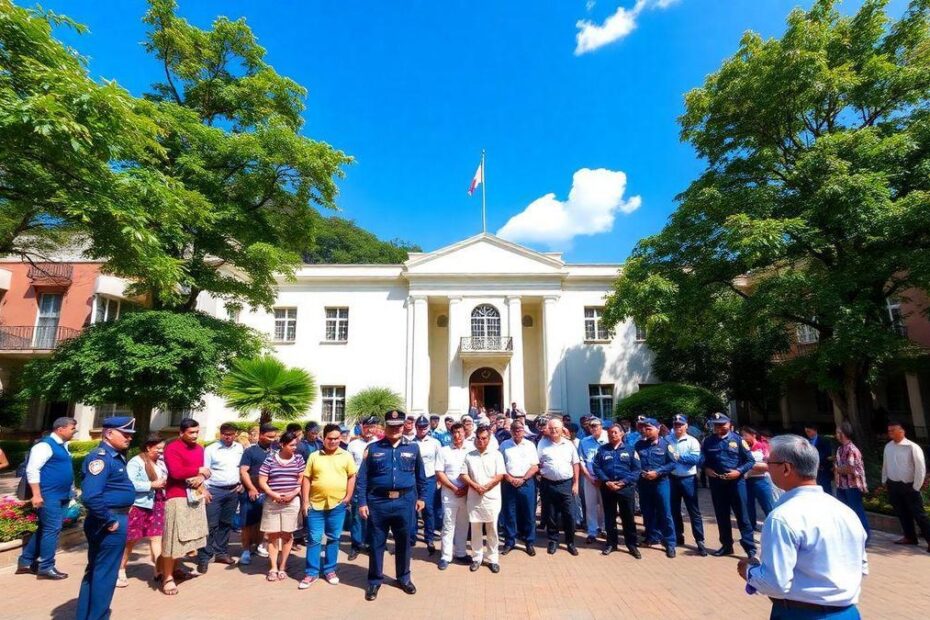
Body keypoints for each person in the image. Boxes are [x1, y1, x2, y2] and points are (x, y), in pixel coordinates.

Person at [738, 435, 868, 619]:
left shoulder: (782, 517)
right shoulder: (845, 512)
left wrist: (748, 571)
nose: (767, 466)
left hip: (801, 613)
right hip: (847, 612)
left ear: (785, 468)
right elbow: (861, 567)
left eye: (769, 462)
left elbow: (775, 583)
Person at [357, 409, 427, 601]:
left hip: (405, 502)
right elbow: (362, 478)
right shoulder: (373, 448)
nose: (395, 429)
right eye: (391, 426)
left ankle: (404, 577)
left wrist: (421, 498)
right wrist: (362, 502)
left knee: (404, 542)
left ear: (403, 426)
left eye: (398, 426)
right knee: (376, 543)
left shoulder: (413, 448)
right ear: (385, 427)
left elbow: (421, 475)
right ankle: (374, 581)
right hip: (378, 502)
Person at [75, 417, 137, 620]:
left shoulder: (115, 456)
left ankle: (86, 615)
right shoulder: (101, 458)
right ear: (109, 433)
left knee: (96, 572)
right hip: (109, 521)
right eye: (125, 434)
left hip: (112, 518)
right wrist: (109, 520)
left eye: (131, 435)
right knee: (105, 574)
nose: (129, 438)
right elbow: (91, 495)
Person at [17, 416, 77, 579]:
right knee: (52, 529)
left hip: (62, 495)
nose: (75, 431)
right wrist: (36, 494)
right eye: (72, 428)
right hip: (48, 495)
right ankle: (46, 566)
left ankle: (25, 562)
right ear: (60, 429)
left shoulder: (63, 446)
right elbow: (32, 470)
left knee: (46, 528)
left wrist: (71, 491)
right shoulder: (44, 446)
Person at [299, 423, 357, 588]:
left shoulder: (346, 456)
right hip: (315, 505)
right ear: (323, 438)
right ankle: (311, 573)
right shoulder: (314, 456)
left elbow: (352, 476)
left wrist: (347, 497)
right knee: (314, 539)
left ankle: (330, 569)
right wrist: (305, 502)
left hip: (337, 504)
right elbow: (306, 478)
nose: (333, 441)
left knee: (333, 538)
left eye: (336, 438)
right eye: (330, 438)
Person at [160, 418, 211, 596]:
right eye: (191, 432)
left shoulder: (200, 449)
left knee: (186, 539)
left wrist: (202, 479)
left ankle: (174, 569)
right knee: (172, 539)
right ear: (181, 433)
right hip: (177, 498)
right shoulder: (172, 448)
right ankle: (167, 577)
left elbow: (204, 472)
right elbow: (176, 472)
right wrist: (199, 471)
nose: (195, 435)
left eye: (197, 432)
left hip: (194, 496)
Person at [702, 412, 756, 558]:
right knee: (721, 515)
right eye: (716, 425)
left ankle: (750, 548)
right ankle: (726, 545)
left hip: (736, 483)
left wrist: (738, 471)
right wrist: (706, 468)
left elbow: (750, 461)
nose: (719, 427)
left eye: (722, 424)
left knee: (742, 516)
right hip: (717, 483)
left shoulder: (738, 440)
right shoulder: (708, 441)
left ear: (729, 424)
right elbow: (703, 459)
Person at [118, 435, 167, 587]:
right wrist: (151, 484)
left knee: (156, 537)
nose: (161, 452)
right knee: (131, 539)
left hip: (157, 503)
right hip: (139, 505)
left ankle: (159, 570)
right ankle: (120, 570)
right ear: (148, 447)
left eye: (162, 449)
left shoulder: (161, 463)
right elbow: (130, 483)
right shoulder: (136, 462)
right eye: (158, 448)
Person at [258, 430, 306, 582]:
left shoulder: (298, 459)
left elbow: (301, 480)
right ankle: (273, 567)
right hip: (272, 501)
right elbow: (262, 480)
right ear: (282, 444)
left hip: (291, 502)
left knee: (287, 534)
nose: (294, 448)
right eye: (291, 445)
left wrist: (293, 493)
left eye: (295, 445)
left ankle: (283, 566)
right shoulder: (270, 459)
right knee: (272, 535)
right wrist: (273, 494)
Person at [197, 422, 244, 573]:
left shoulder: (239, 448)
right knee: (210, 525)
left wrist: (241, 483)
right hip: (215, 490)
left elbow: (241, 468)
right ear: (221, 434)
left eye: (231, 434)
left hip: (233, 491)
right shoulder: (211, 449)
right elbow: (203, 470)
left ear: (235, 434)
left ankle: (221, 552)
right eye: (226, 434)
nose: (228, 437)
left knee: (226, 523)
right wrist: (203, 489)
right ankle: (204, 557)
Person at [460, 426, 505, 573]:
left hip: (491, 497)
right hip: (474, 497)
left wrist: (486, 487)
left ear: (489, 439)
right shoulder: (469, 456)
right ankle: (476, 558)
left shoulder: (496, 455)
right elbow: (463, 474)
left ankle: (493, 559)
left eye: (484, 438)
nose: (481, 441)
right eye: (478, 438)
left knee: (492, 529)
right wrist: (475, 486)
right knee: (476, 529)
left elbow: (500, 475)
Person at [593, 422, 642, 559]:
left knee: (628, 517)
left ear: (621, 434)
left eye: (615, 432)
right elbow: (596, 467)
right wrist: (607, 481)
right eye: (609, 433)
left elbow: (636, 470)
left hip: (625, 488)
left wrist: (623, 482)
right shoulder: (602, 450)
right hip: (608, 487)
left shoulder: (630, 450)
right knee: (609, 516)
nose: (612, 435)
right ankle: (611, 543)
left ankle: (631, 544)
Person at [881, 421, 930, 550]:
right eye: (889, 430)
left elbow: (920, 468)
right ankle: (910, 537)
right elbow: (886, 464)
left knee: (919, 515)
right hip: (894, 485)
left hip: (909, 486)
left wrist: (916, 486)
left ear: (902, 431)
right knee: (902, 513)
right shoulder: (888, 447)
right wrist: (885, 480)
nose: (890, 433)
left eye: (893, 430)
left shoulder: (912, 447)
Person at [634, 418, 677, 558]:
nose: (646, 431)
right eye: (644, 428)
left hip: (661, 482)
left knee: (665, 513)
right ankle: (652, 537)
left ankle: (670, 543)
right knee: (647, 512)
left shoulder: (666, 445)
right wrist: (641, 472)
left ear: (658, 429)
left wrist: (657, 472)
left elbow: (672, 463)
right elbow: (634, 462)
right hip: (644, 483)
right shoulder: (639, 445)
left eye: (649, 428)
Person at [537, 418, 580, 555]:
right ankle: (553, 541)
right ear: (548, 429)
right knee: (551, 514)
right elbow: (537, 462)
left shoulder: (569, 444)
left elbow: (575, 464)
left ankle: (570, 542)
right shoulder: (542, 443)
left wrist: (576, 483)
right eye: (551, 428)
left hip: (566, 484)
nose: (554, 430)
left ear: (562, 429)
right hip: (548, 483)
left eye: (557, 428)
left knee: (569, 515)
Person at [238, 423, 278, 565]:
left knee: (265, 521)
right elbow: (243, 471)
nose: (273, 439)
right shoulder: (250, 451)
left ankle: (261, 545)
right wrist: (251, 488)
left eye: (275, 437)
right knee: (247, 523)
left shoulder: (276, 451)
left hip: (268, 492)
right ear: (261, 435)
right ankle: (245, 551)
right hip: (251, 492)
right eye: (269, 437)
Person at [499, 420, 539, 556]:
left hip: (526, 482)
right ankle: (510, 541)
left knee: (528, 513)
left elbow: (535, 466)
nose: (517, 432)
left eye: (520, 429)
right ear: (510, 430)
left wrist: (523, 479)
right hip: (508, 482)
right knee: (509, 513)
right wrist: (509, 478)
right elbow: (500, 465)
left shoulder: (530, 445)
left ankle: (529, 542)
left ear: (524, 430)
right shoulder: (504, 445)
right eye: (514, 429)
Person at [668, 414, 706, 556]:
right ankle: (678, 535)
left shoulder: (692, 441)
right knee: (674, 510)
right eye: (675, 424)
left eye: (680, 424)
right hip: (672, 479)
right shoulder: (667, 440)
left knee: (693, 511)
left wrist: (678, 457)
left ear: (686, 426)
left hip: (688, 479)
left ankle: (700, 540)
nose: (678, 427)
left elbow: (695, 459)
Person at [435, 422, 470, 570]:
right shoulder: (444, 451)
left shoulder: (471, 450)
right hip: (449, 493)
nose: (457, 436)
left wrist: (467, 487)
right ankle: (446, 556)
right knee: (449, 525)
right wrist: (454, 488)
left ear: (464, 433)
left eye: (460, 433)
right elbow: (439, 472)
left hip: (467, 493)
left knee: (463, 524)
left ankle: (461, 553)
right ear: (451, 434)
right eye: (454, 433)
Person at [346, 416, 378, 560]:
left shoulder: (380, 443)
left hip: (375, 484)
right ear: (362, 427)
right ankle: (356, 544)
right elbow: (348, 465)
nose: (370, 429)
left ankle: (371, 543)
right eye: (367, 427)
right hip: (358, 483)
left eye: (373, 426)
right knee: (357, 515)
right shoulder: (353, 445)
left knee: (373, 516)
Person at [834, 422, 870, 542]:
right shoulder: (840, 449)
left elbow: (850, 468)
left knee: (857, 512)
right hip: (842, 486)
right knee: (845, 513)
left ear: (843, 434)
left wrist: (837, 470)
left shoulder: (852, 449)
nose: (836, 435)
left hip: (852, 485)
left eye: (838, 432)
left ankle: (865, 537)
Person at [413, 415, 442, 555]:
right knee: (412, 508)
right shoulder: (410, 442)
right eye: (420, 427)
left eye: (425, 427)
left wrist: (439, 479)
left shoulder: (435, 442)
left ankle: (429, 536)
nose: (422, 429)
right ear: (416, 427)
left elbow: (439, 461)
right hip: (413, 479)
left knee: (428, 509)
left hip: (429, 478)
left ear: (428, 427)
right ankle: (411, 536)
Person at [577, 417, 607, 543]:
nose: (593, 428)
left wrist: (604, 478)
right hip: (589, 478)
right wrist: (589, 477)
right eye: (591, 426)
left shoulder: (608, 439)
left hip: (605, 479)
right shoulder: (584, 441)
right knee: (590, 506)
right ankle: (592, 531)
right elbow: (581, 460)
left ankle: (605, 528)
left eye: (596, 425)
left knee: (605, 506)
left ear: (601, 426)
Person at [742, 426, 776, 533]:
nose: (743, 438)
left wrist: (748, 465)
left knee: (768, 506)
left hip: (761, 480)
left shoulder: (763, 446)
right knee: (749, 507)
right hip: (747, 481)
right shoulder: (744, 447)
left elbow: (768, 464)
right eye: (742, 435)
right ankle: (751, 529)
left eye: (745, 435)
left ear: (753, 435)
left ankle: (774, 529)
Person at [803, 423, 834, 494]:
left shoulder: (824, 440)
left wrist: (814, 460)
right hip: (811, 472)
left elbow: (826, 454)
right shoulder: (806, 442)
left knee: (826, 492)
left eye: (809, 431)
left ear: (815, 430)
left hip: (822, 470)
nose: (807, 434)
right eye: (806, 432)